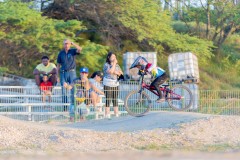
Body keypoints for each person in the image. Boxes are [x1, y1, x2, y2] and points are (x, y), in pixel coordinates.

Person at [57, 39, 82, 110]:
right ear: (63, 44)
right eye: (65, 44)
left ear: (70, 44)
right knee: (64, 90)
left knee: (73, 89)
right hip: (63, 73)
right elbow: (58, 65)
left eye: (68, 43)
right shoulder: (61, 53)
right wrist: (57, 76)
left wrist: (73, 43)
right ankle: (65, 108)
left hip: (72, 72)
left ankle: (73, 106)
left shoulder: (73, 51)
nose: (66, 45)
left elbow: (80, 49)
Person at [103, 52, 123, 118]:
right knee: (108, 99)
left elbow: (121, 73)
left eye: (115, 57)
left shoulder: (117, 65)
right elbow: (110, 71)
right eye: (112, 57)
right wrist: (114, 65)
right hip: (107, 83)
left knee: (115, 99)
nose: (114, 58)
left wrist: (115, 71)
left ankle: (116, 113)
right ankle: (107, 114)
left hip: (115, 83)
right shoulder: (106, 65)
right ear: (109, 57)